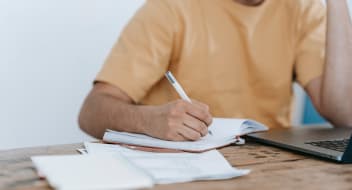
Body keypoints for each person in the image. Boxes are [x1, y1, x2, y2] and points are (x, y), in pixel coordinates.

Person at [79, 0, 352, 141]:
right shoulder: (171, 8)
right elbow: (91, 112)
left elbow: (345, 114)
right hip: (182, 167)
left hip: (269, 166)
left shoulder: (303, 9)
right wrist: (147, 121)